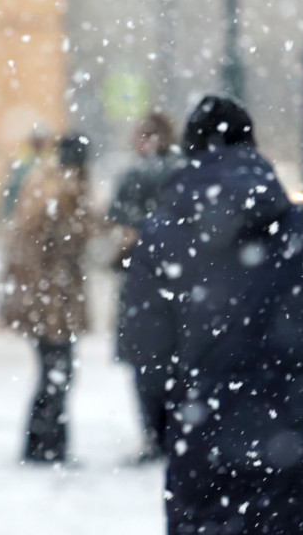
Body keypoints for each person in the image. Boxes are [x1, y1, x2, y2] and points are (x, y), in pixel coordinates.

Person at [121, 95, 303, 535]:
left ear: (190, 152)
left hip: (199, 449)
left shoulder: (161, 237)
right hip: (289, 445)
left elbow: (146, 350)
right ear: (254, 148)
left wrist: (172, 421)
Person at [0, 131, 93, 464]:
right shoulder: (60, 187)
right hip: (50, 296)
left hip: (47, 295)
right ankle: (47, 446)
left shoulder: (48, 182)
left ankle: (45, 445)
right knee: (58, 372)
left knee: (55, 372)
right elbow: (55, 240)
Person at [106, 112, 185, 462]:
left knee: (146, 368)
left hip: (143, 284)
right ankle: (176, 434)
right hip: (181, 283)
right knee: (176, 365)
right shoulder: (185, 172)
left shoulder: (137, 175)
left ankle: (154, 437)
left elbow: (119, 226)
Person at [0, 124, 52, 221]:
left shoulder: (49, 156)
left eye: (41, 141)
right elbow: (13, 185)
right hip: (23, 202)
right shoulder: (21, 156)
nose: (39, 144)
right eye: (37, 141)